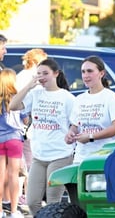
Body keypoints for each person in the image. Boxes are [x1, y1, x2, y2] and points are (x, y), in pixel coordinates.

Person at [9, 59, 75, 216]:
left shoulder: (67, 97)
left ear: (56, 74)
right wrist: (28, 86)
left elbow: (75, 123)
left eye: (45, 73)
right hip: (39, 156)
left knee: (53, 201)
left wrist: (71, 132)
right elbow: (13, 106)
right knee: (32, 202)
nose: (41, 77)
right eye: (38, 74)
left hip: (60, 155)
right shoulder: (35, 94)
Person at [65, 56, 115, 163]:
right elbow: (75, 126)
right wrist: (70, 134)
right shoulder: (79, 99)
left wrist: (91, 137)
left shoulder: (110, 97)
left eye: (90, 71)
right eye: (83, 72)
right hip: (81, 157)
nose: (86, 75)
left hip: (104, 156)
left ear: (101, 73)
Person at [15, 48, 48, 206]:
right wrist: (26, 119)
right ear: (35, 62)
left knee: (25, 164)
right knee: (30, 163)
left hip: (22, 126)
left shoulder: (21, 75)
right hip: (26, 126)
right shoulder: (31, 78)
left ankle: (24, 196)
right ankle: (28, 197)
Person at [0, 69, 26, 218]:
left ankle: (0, 211)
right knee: (13, 176)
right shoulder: (17, 98)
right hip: (14, 140)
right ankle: (14, 211)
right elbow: (25, 119)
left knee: (0, 175)